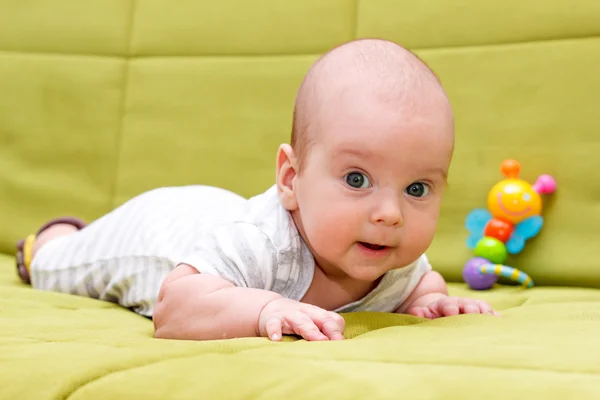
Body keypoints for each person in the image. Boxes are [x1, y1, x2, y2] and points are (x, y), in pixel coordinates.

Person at [15, 38, 498, 342]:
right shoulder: (261, 245)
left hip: (220, 211)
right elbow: (174, 309)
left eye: (417, 188)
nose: (391, 213)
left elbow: (421, 282)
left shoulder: (392, 254)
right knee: (60, 264)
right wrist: (266, 306)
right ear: (291, 179)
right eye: (357, 179)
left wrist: (429, 302)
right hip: (160, 232)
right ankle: (56, 236)